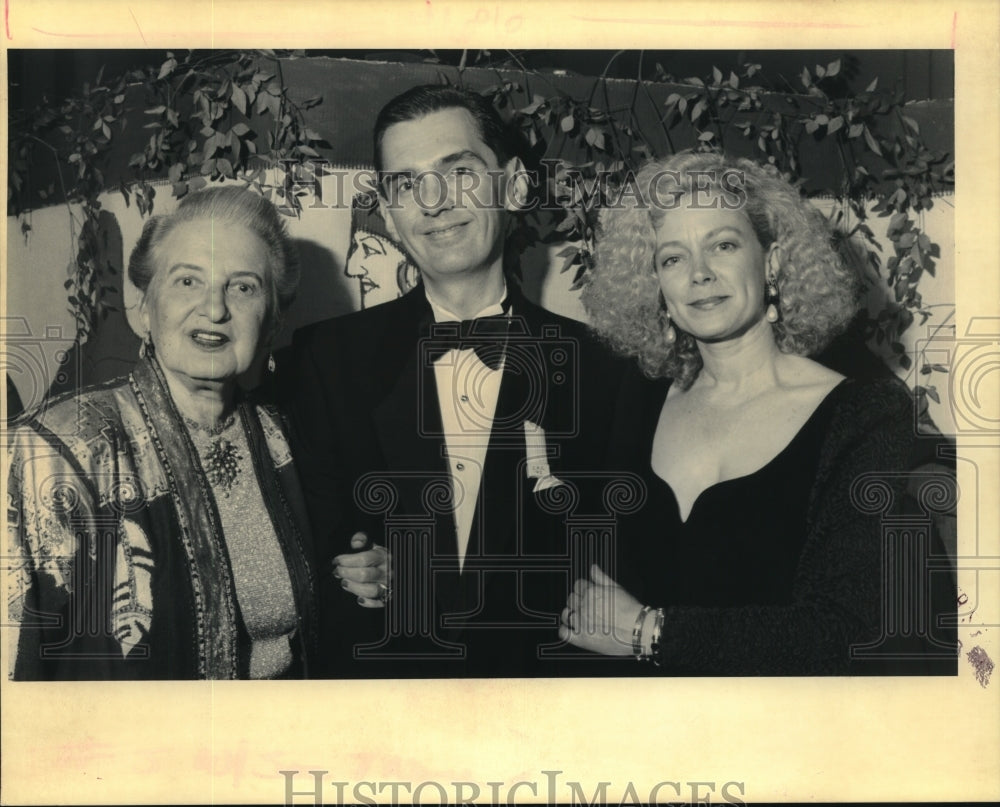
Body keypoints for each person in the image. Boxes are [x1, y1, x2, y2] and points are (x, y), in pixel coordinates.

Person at [560, 151, 956, 675]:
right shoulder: (634, 397)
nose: (699, 274)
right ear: (655, 283)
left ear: (771, 260)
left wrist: (649, 632)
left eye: (723, 245)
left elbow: (845, 630)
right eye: (673, 258)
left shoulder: (864, 415)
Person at [280, 84, 630, 676]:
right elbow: (295, 549)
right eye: (406, 184)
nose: (434, 202)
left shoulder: (607, 372)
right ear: (389, 215)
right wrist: (345, 567)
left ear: (515, 185)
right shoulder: (323, 360)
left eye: (459, 171)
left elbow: (622, 566)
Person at [7, 187, 324, 679]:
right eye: (187, 281)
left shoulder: (282, 437)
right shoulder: (50, 453)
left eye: (243, 287)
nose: (214, 309)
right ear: (142, 308)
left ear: (273, 319)